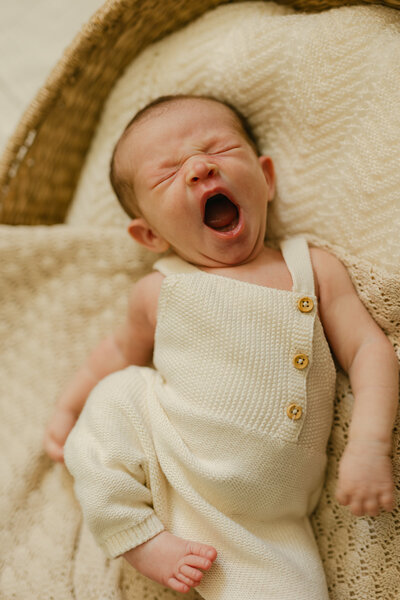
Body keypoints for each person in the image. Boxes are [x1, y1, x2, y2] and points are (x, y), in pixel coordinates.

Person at [43, 95, 398, 599]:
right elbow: (115, 352)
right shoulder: (159, 289)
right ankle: (139, 538)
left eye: (219, 149)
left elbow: (369, 349)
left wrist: (369, 444)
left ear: (266, 177)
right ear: (149, 234)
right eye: (167, 174)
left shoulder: (312, 267)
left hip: (267, 525)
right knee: (115, 402)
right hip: (173, 461)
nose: (199, 168)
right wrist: (66, 409)